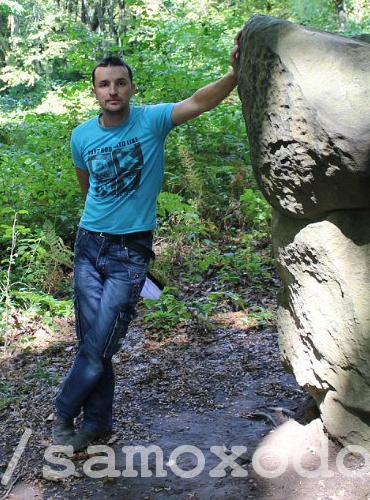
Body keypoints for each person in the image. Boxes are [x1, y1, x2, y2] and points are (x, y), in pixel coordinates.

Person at [53, 40, 241, 451]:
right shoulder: (81, 136)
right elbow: (89, 189)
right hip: (89, 246)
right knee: (92, 342)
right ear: (95, 92)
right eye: (105, 85)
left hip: (129, 252)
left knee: (101, 342)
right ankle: (98, 422)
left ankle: (64, 412)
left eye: (120, 83)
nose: (113, 91)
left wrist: (232, 75)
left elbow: (197, 103)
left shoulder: (152, 121)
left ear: (132, 88)